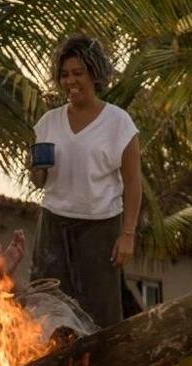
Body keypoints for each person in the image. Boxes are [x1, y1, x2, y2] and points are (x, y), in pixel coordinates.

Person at [29, 34, 142, 329]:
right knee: (47, 311)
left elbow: (133, 183)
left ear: (94, 74)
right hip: (53, 227)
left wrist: (127, 234)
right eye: (64, 75)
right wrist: (36, 169)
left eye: (78, 73)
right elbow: (39, 182)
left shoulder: (119, 123)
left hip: (101, 228)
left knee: (98, 317)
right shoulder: (48, 123)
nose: (71, 81)